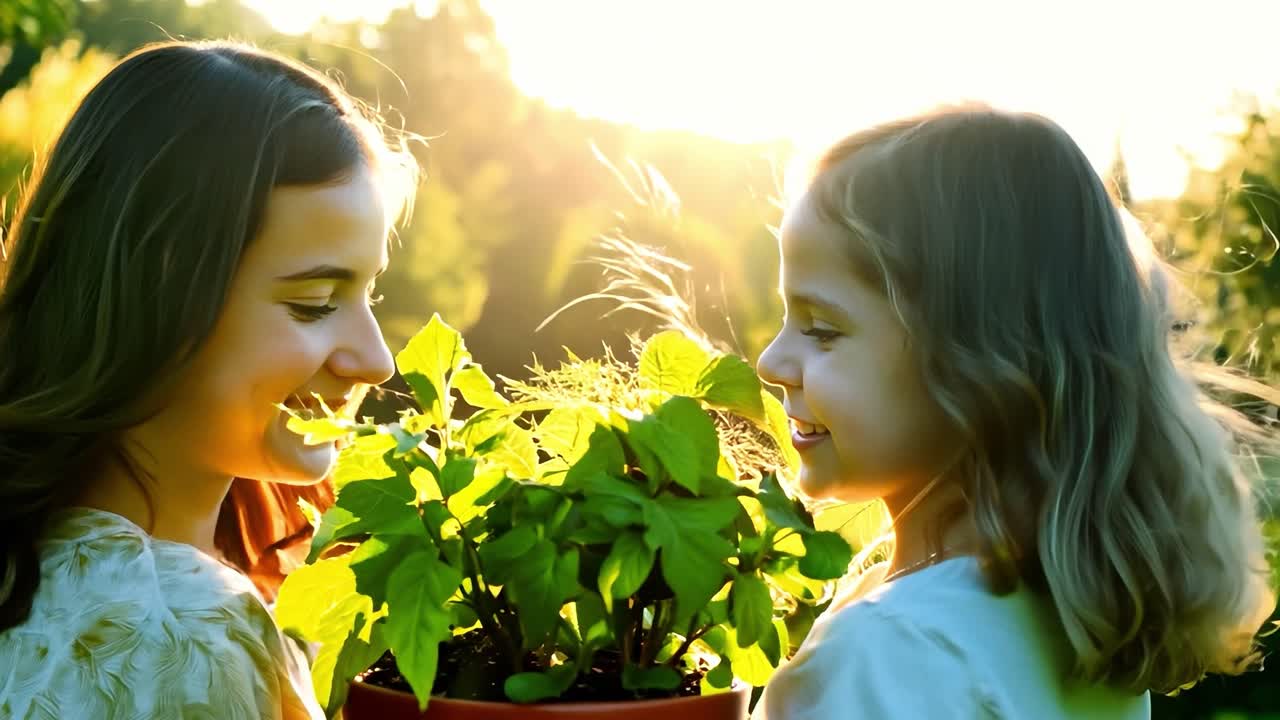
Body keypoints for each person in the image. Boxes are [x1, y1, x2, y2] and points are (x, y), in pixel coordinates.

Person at [753, 105, 1276, 719]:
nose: (769, 360)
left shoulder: (888, 653)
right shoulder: (1070, 626)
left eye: (821, 329)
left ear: (976, 363)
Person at [0, 40, 418, 719]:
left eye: (370, 294)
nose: (376, 360)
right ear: (156, 296)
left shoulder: (40, 573)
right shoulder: (179, 637)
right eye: (314, 303)